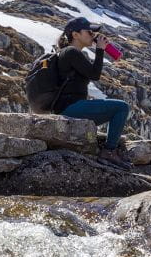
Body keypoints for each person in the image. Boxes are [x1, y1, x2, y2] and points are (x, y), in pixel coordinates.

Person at [53, 16, 131, 169]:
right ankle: (108, 151)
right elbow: (95, 74)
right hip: (69, 108)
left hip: (68, 107)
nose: (92, 35)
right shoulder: (71, 52)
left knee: (117, 109)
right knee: (121, 107)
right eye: (89, 32)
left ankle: (109, 149)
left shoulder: (69, 53)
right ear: (75, 35)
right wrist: (100, 50)